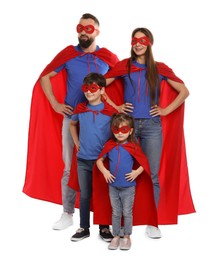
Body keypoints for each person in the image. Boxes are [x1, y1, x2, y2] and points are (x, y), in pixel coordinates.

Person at [22, 13, 120, 236]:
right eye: (80, 27)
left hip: (100, 120)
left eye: (89, 28)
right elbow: (45, 76)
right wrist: (56, 104)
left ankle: (103, 220)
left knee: (102, 166)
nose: (84, 31)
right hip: (72, 118)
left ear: (97, 31)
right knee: (70, 166)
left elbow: (122, 78)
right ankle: (67, 213)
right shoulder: (68, 54)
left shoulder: (107, 57)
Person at [103, 27, 195, 238]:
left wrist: (164, 110)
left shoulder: (159, 68)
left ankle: (152, 222)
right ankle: (123, 219)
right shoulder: (124, 66)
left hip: (153, 127)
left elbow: (184, 91)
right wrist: (116, 107)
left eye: (142, 40)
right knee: (121, 171)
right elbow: (100, 85)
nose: (137, 43)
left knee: (151, 173)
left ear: (150, 43)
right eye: (134, 40)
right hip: (127, 128)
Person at [69, 72, 118, 242]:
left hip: (102, 162)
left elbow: (120, 129)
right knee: (84, 194)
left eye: (93, 88)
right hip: (83, 160)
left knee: (103, 194)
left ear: (101, 90)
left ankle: (104, 227)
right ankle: (84, 227)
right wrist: (76, 143)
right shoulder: (81, 109)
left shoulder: (109, 112)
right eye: (86, 88)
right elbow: (72, 124)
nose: (89, 92)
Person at [96, 113, 148, 250]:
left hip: (128, 187)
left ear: (130, 130)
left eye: (123, 130)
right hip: (113, 186)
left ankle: (127, 236)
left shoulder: (133, 146)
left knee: (127, 212)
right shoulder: (110, 145)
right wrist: (105, 172)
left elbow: (144, 163)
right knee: (116, 212)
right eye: (116, 130)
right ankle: (116, 236)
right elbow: (99, 160)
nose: (119, 134)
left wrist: (136, 172)